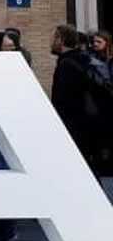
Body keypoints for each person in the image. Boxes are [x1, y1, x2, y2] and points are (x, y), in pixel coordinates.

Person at [51, 24, 107, 175]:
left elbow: (62, 100)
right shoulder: (86, 59)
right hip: (92, 123)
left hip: (75, 127)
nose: (51, 42)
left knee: (81, 170)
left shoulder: (66, 64)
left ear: (60, 40)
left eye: (53, 38)